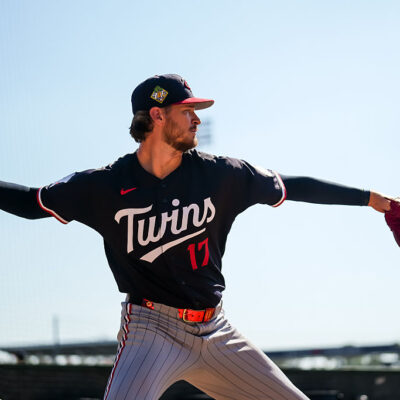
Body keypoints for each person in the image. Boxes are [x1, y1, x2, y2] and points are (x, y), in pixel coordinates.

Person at [0, 74, 395, 400]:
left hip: (217, 331)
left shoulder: (221, 174)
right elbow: (31, 202)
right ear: (157, 115)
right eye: (187, 111)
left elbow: (293, 186)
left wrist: (371, 200)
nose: (197, 120)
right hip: (150, 331)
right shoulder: (102, 186)